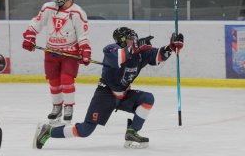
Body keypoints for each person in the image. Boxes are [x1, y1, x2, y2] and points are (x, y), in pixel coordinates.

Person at [34, 27, 184, 149]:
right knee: (85, 130)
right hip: (105, 94)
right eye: (131, 39)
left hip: (124, 95)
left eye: (135, 38)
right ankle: (49, 131)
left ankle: (132, 132)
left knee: (147, 98)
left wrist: (171, 47)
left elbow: (158, 56)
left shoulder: (140, 53)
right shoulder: (111, 50)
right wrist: (134, 48)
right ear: (122, 41)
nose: (135, 40)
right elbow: (120, 58)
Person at [22, 0, 91, 124]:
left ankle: (69, 107)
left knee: (66, 79)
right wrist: (30, 36)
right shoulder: (48, 7)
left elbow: (83, 34)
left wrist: (85, 50)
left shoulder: (77, 12)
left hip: (69, 53)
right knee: (53, 81)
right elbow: (37, 22)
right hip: (51, 51)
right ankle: (57, 106)